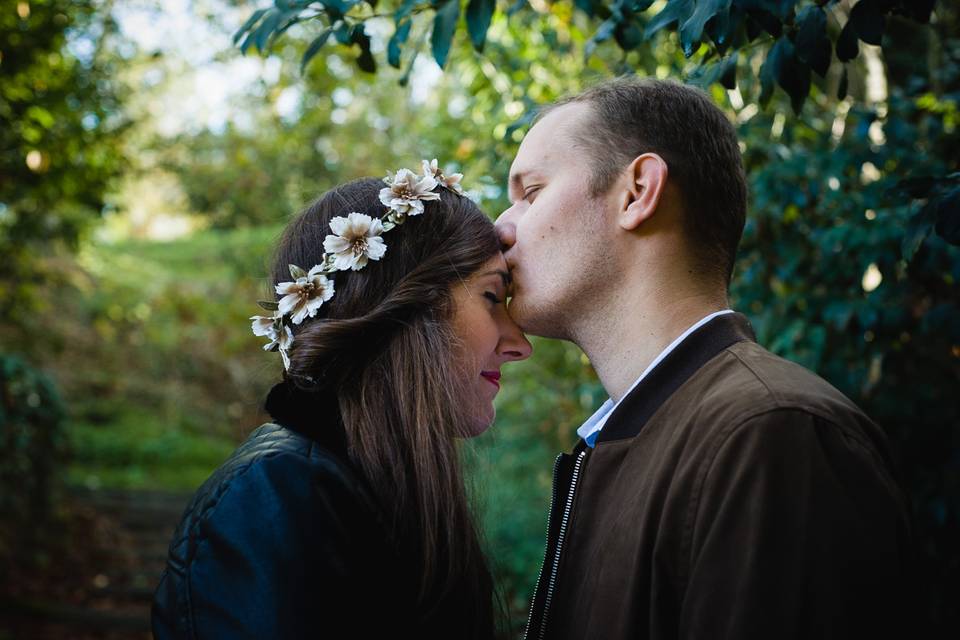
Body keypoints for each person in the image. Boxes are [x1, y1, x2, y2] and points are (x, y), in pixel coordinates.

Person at [495, 78, 912, 640]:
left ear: (638, 191)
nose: (500, 227)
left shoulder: (772, 434)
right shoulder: (646, 439)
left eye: (531, 192)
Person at [151, 163, 531, 639]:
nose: (519, 343)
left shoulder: (366, 488)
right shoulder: (278, 496)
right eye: (493, 297)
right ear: (403, 308)